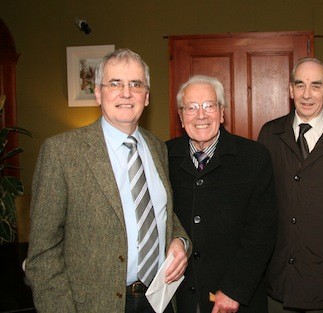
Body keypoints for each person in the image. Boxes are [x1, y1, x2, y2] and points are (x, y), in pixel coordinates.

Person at [25, 48, 191, 313]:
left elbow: (162, 214)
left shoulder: (158, 148)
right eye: (115, 84)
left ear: (146, 96)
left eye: (136, 84)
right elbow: (43, 254)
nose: (126, 93)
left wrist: (179, 242)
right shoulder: (62, 152)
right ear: (99, 93)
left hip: (158, 300)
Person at [166, 75, 277, 313]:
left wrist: (234, 289)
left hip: (234, 299)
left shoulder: (254, 158)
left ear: (222, 113)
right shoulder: (164, 156)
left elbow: (262, 232)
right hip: (179, 298)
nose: (201, 115)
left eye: (209, 106)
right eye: (191, 107)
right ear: (181, 116)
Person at [257, 58, 323, 313]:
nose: (307, 94)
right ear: (290, 90)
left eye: (316, 85)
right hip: (278, 279)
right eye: (300, 85)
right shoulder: (269, 134)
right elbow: (259, 203)